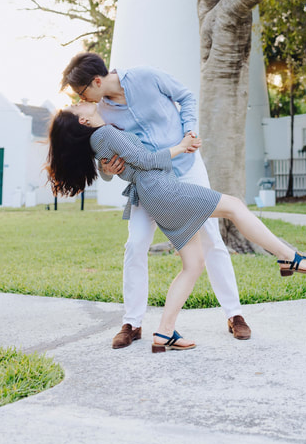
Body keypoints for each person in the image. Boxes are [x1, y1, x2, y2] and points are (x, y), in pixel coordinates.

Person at [47, 104, 306, 352]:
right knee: (235, 207)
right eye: (75, 106)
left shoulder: (98, 141)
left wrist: (109, 168)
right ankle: (288, 256)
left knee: (193, 264)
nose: (79, 102)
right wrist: (181, 146)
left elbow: (126, 165)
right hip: (163, 189)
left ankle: (164, 332)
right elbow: (145, 161)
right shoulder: (105, 134)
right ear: (83, 121)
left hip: (153, 195)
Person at [60, 53, 253, 346]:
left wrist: (189, 130)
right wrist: (107, 170)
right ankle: (131, 323)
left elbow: (186, 96)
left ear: (97, 81)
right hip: (148, 185)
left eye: (81, 91)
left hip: (187, 168)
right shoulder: (101, 114)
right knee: (135, 244)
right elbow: (108, 161)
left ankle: (234, 314)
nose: (81, 97)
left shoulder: (146, 77)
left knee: (211, 237)